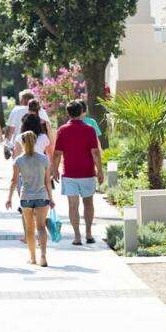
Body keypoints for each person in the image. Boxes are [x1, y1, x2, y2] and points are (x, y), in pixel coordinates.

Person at [51, 100, 104, 245]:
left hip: (69, 174)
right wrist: (100, 171)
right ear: (81, 112)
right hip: (87, 173)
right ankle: (89, 233)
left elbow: (57, 153)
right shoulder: (90, 130)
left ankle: (77, 236)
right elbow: (95, 153)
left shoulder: (62, 130)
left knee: (73, 206)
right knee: (88, 203)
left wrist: (54, 170)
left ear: (68, 113)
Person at [7, 131, 54, 267]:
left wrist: (9, 198)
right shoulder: (43, 159)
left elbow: (14, 181)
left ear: (22, 143)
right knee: (41, 227)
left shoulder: (19, 160)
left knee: (29, 229)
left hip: (26, 197)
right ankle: (43, 256)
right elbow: (47, 181)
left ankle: (33, 258)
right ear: (35, 141)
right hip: (42, 196)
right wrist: (51, 198)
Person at [5, 91, 51, 157]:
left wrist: (6, 145)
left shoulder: (16, 110)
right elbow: (48, 128)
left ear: (22, 100)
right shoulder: (41, 111)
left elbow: (10, 129)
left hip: (20, 145)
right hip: (39, 146)